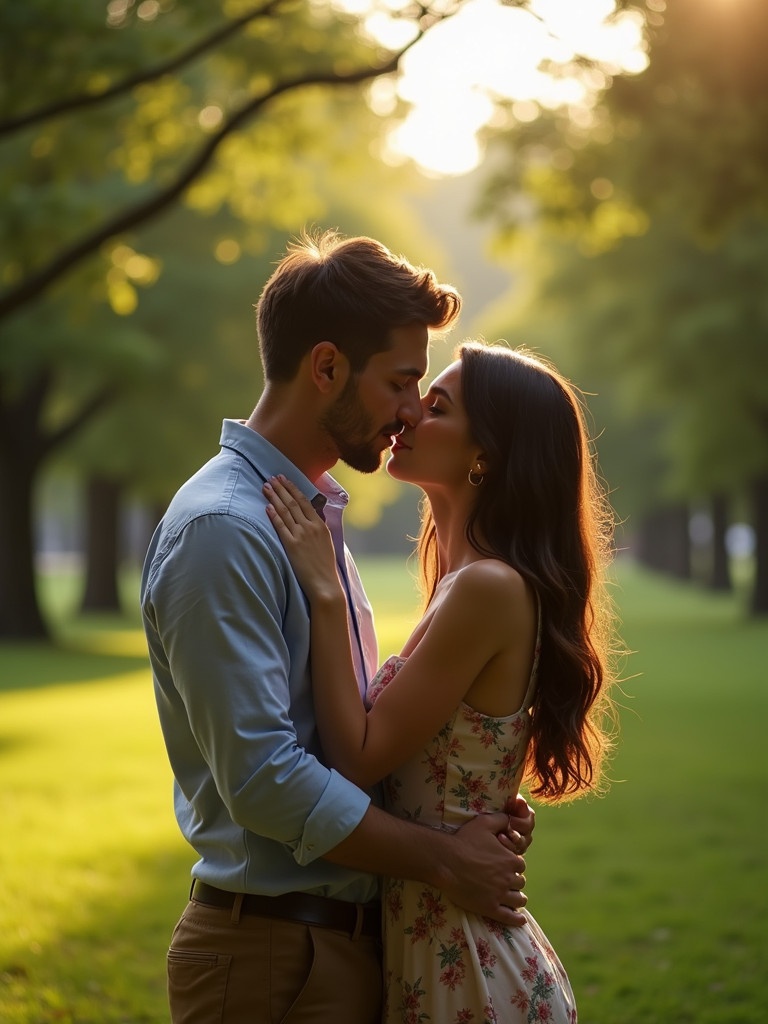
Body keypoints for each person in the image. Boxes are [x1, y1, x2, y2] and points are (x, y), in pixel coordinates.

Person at [140, 232, 536, 1024]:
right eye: (400, 382)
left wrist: (460, 806)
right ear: (326, 368)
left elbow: (345, 743)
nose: (409, 411)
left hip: (343, 949)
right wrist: (444, 859)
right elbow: (265, 780)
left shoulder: (306, 520)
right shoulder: (226, 529)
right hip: (271, 960)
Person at [264, 340, 621, 1023]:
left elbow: (360, 754)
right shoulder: (466, 584)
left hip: (474, 976)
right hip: (439, 952)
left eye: (436, 407)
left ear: (485, 453)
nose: (405, 418)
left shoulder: (485, 588)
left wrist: (326, 593)